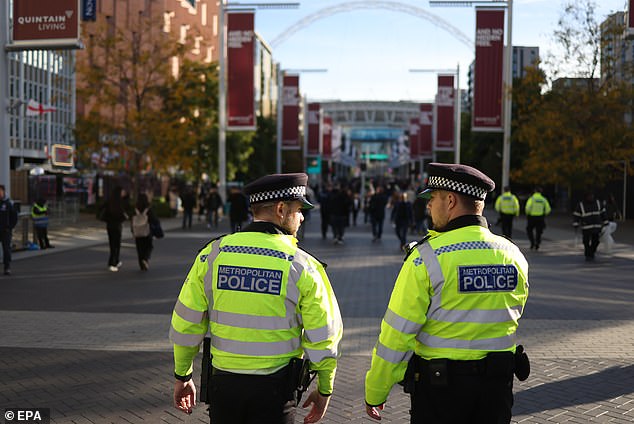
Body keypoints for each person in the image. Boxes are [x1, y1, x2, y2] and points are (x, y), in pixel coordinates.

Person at [170, 173, 343, 424]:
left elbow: (186, 323)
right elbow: (324, 336)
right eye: (298, 210)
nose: (303, 217)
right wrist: (324, 388)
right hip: (275, 392)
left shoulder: (212, 255)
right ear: (282, 209)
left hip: (223, 387)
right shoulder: (302, 266)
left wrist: (182, 375)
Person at [364, 163, 529, 423]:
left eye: (432, 198)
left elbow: (396, 335)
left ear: (450, 200)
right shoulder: (513, 254)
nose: (428, 206)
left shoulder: (425, 258)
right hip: (497, 387)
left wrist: (376, 390)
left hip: (441, 392)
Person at [100, 186, 129, 272]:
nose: (124, 193)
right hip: (117, 226)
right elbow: (122, 213)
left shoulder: (110, 202)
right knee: (116, 245)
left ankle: (115, 260)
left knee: (112, 244)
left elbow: (101, 208)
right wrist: (124, 217)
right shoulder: (120, 203)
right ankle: (113, 263)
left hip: (109, 225)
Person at [573, 192, 608, 261]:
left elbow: (603, 212)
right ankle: (588, 254)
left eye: (592, 196)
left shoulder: (598, 203)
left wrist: (606, 222)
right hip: (586, 227)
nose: (591, 197)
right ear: (586, 197)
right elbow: (577, 215)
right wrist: (576, 223)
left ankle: (591, 252)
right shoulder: (581, 205)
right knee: (586, 242)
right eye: (589, 196)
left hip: (596, 226)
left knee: (596, 241)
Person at [131, 193, 160, 271]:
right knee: (148, 246)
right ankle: (145, 259)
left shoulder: (135, 209)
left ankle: (141, 263)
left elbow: (132, 221)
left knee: (139, 248)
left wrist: (132, 230)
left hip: (137, 231)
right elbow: (154, 219)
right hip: (147, 231)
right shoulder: (148, 209)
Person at [0, 185, 19, 275]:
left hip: (5, 231)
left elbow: (14, 217)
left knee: (6, 249)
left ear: (3, 192)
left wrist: (10, 227)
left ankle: (7, 267)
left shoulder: (8, 203)